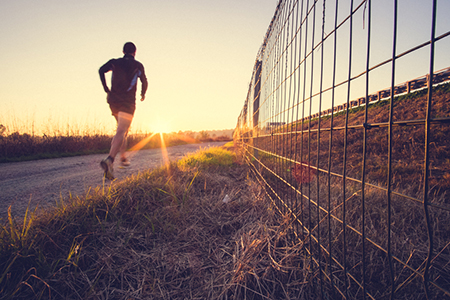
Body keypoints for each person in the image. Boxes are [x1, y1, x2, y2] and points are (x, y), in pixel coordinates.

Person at [99, 42, 148, 180]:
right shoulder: (138, 65)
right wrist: (143, 94)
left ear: (123, 51)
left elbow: (101, 70)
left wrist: (105, 88)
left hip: (113, 101)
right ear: (135, 52)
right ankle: (110, 160)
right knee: (121, 130)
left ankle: (123, 157)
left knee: (121, 130)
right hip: (127, 102)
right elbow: (144, 81)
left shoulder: (114, 62)